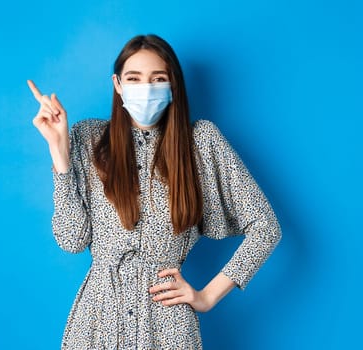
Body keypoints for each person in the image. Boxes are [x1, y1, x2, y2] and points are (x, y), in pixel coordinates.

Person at [28, 34, 281, 349]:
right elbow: (71, 240)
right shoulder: (87, 139)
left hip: (168, 328)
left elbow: (265, 227)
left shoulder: (201, 144)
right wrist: (60, 157)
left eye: (157, 79)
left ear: (172, 85)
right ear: (118, 84)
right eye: (134, 78)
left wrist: (207, 296)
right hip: (96, 325)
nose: (145, 88)